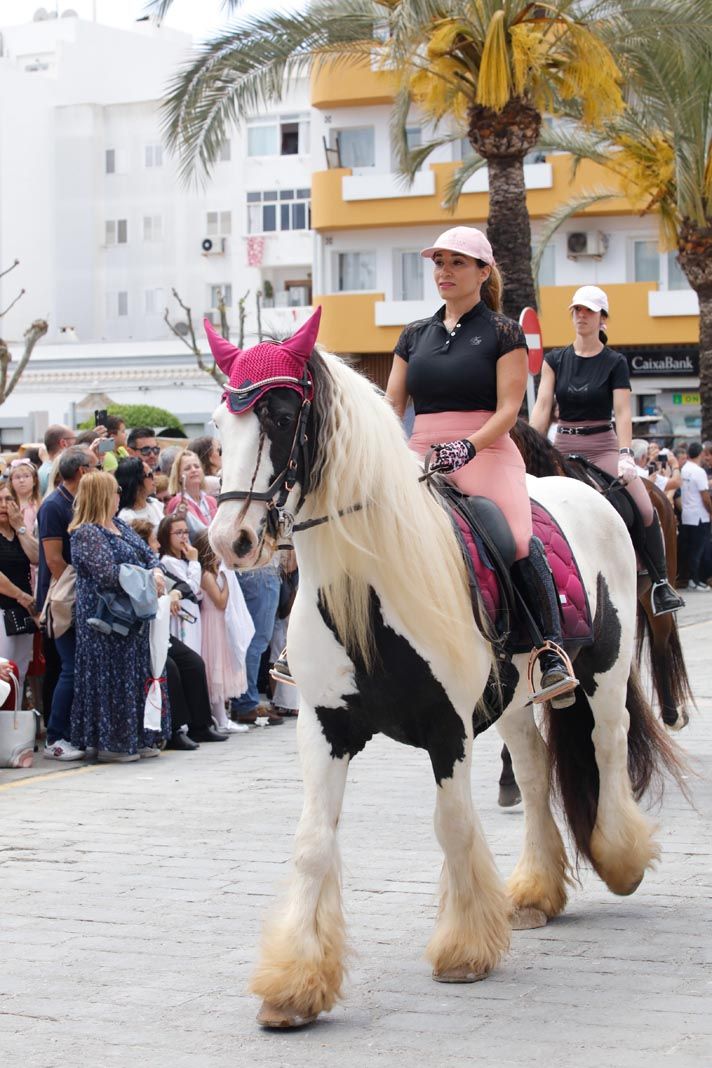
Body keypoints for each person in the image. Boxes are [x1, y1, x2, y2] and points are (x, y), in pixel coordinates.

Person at [386, 225, 577, 705]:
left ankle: (549, 651)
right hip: (420, 452)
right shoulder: (413, 335)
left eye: (457, 262)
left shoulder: (502, 331)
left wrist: (468, 447)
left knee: (513, 537)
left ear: (482, 271)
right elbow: (391, 406)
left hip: (485, 449)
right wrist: (392, 450)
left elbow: (509, 411)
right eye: (439, 262)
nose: (444, 271)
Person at [530, 284, 684, 617]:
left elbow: (624, 411)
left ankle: (659, 584)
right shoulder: (555, 359)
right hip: (563, 446)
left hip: (602, 446)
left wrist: (626, 453)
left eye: (589, 310)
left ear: (602, 318)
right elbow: (543, 405)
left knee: (644, 507)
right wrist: (531, 445)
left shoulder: (614, 362)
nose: (581, 316)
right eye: (577, 310)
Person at [68, 470, 170, 761]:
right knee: (110, 677)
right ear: (102, 495)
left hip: (133, 617)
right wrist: (150, 579)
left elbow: (149, 554)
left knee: (136, 674)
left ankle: (138, 737)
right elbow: (107, 574)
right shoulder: (86, 533)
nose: (118, 496)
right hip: (105, 621)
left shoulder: (119, 526)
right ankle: (112, 743)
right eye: (113, 491)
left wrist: (156, 571)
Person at [129, 519, 228, 747]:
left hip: (161, 631)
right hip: (144, 631)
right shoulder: (144, 568)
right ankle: (174, 729)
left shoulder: (157, 567)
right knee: (170, 669)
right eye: (152, 542)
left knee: (194, 663)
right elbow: (190, 586)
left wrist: (174, 593)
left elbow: (185, 589)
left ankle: (201, 725)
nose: (155, 547)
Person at [38, 446, 97, 761]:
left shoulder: (81, 502)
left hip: (83, 599)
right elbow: (53, 560)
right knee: (69, 669)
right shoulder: (53, 506)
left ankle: (74, 732)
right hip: (65, 599)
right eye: (96, 466)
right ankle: (56, 736)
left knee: (77, 668)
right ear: (83, 471)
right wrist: (78, 590)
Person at [194, 530, 252, 733]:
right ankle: (220, 717)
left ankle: (222, 715)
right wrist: (227, 581)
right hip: (212, 623)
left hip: (221, 624)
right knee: (216, 667)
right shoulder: (207, 575)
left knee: (225, 665)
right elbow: (220, 601)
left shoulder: (216, 572)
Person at [0, 483, 40, 690]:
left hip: (22, 612)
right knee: (3, 674)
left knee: (20, 673)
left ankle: (14, 720)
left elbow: (36, 557)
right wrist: (22, 596)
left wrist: (20, 528)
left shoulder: (17, 532)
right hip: (3, 609)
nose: (4, 505)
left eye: (8, 500)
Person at [157, 513, 202, 654]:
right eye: (179, 532)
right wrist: (195, 561)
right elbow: (191, 587)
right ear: (166, 536)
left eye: (186, 532)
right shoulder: (167, 561)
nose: (184, 536)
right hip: (181, 618)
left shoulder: (183, 560)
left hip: (192, 614)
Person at [680, 442, 712, 591]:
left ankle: (691, 579)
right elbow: (705, 497)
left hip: (687, 515)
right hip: (700, 516)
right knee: (698, 550)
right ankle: (695, 580)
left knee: (691, 549)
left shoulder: (684, 469)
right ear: (700, 454)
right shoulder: (699, 471)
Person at [165, 450, 218, 534]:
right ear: (178, 476)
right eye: (187, 468)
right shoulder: (177, 503)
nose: (194, 470)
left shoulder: (212, 500)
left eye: (197, 466)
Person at [116, 457, 164, 530]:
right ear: (136, 483)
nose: (154, 477)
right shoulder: (126, 517)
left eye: (152, 472)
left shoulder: (155, 503)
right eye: (149, 475)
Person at [38, 425, 77, 495]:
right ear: (63, 443)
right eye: (74, 439)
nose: (77, 443)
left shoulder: (42, 470)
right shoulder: (57, 472)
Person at [8, 458, 42, 531]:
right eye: (17, 477)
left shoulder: (40, 505)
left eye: (26, 476)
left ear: (34, 481)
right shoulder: (7, 505)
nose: (21, 480)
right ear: (11, 482)